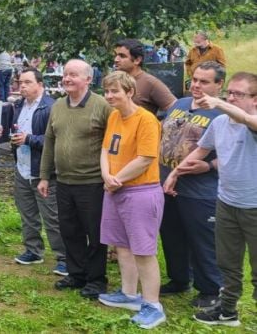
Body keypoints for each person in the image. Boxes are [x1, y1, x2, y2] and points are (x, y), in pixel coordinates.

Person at [173, 72, 257, 327]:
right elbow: (201, 150)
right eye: (229, 93)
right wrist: (175, 173)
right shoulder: (220, 123)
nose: (231, 97)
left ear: (255, 100)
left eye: (238, 94)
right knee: (227, 264)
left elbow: (249, 122)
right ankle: (227, 312)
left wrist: (220, 103)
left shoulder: (251, 123)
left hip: (254, 208)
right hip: (226, 204)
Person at [95, 72, 166, 329]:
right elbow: (105, 149)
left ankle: (152, 305)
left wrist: (116, 179)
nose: (110, 96)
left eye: (115, 91)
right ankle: (128, 294)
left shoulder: (146, 120)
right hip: (115, 188)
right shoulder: (114, 116)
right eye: (107, 91)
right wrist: (107, 175)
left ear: (130, 92)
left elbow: (146, 158)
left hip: (140, 191)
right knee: (122, 245)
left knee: (143, 250)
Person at [38, 59, 113, 299]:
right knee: (70, 230)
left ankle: (96, 279)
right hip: (63, 182)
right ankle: (76, 273)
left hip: (92, 183)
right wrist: (44, 176)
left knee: (95, 233)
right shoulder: (58, 106)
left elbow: (113, 143)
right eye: (65, 74)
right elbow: (49, 141)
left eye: (73, 75)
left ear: (88, 79)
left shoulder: (102, 106)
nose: (67, 79)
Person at [157, 61, 225, 307]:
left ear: (219, 84)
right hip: (166, 183)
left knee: (202, 240)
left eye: (204, 81)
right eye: (194, 79)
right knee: (172, 235)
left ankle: (210, 290)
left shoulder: (224, 113)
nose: (196, 85)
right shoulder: (180, 104)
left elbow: (238, 151)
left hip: (200, 189)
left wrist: (208, 166)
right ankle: (179, 278)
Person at [7, 69, 66, 274]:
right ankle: (33, 250)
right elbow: (13, 131)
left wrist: (29, 139)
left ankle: (64, 257)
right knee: (27, 214)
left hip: (43, 172)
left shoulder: (50, 107)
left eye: (27, 82)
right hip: (22, 168)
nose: (22, 86)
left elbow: (57, 140)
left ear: (40, 84)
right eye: (20, 82)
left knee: (52, 217)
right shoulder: (17, 105)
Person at [113, 39, 176, 115]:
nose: (116, 59)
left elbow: (176, 108)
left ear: (137, 60)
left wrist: (158, 125)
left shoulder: (150, 83)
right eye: (116, 55)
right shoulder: (115, 80)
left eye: (122, 56)